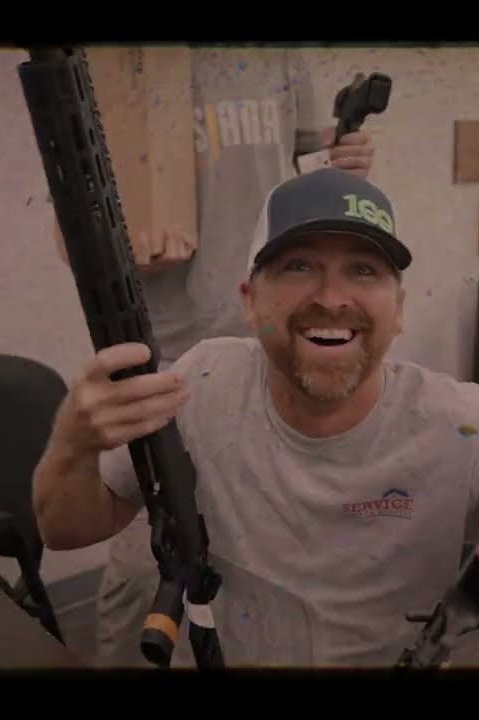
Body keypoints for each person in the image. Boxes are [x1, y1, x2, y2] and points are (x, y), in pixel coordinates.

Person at [34, 167, 479, 667]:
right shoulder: (200, 382)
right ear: (249, 300)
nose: (331, 297)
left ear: (398, 309)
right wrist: (73, 443)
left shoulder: (465, 427)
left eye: (363, 270)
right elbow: (65, 531)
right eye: (298, 266)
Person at [52, 48, 377, 667]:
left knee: (272, 564)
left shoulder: (280, 57)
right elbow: (71, 229)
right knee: (147, 571)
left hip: (272, 350)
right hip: (163, 356)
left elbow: (307, 173)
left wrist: (347, 164)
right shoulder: (122, 61)